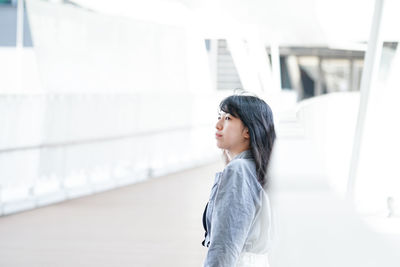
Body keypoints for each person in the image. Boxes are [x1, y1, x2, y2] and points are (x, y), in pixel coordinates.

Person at [201, 92, 276, 267]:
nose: (218, 125)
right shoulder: (258, 170)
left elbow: (225, 246)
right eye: (219, 117)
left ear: (248, 131)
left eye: (227, 118)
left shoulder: (238, 171)